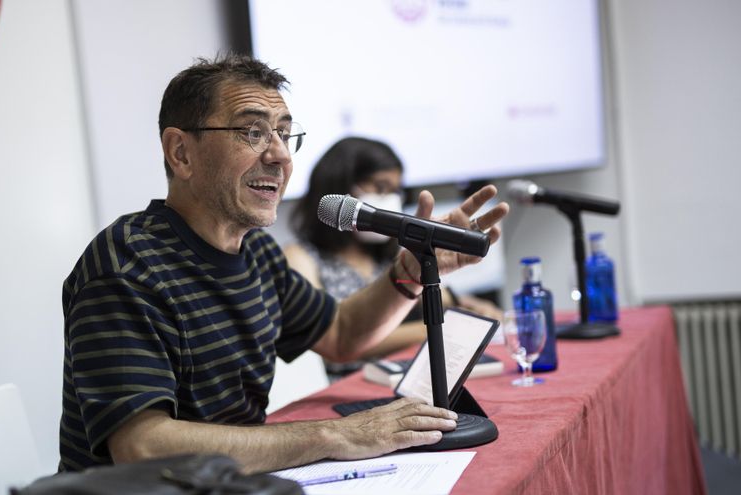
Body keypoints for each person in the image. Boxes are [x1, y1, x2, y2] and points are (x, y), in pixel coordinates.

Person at [58, 53, 509, 474]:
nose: (280, 156)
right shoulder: (125, 265)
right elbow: (143, 447)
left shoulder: (257, 253)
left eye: (284, 133)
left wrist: (408, 273)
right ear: (181, 153)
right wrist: (336, 434)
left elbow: (342, 334)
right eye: (253, 133)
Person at [284, 137, 503, 380]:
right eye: (380, 187)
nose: (390, 199)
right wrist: (438, 330)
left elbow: (406, 293)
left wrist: (464, 303)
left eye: (395, 191)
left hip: (397, 380)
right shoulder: (300, 257)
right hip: (344, 389)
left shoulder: (382, 257)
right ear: (339, 187)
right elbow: (330, 337)